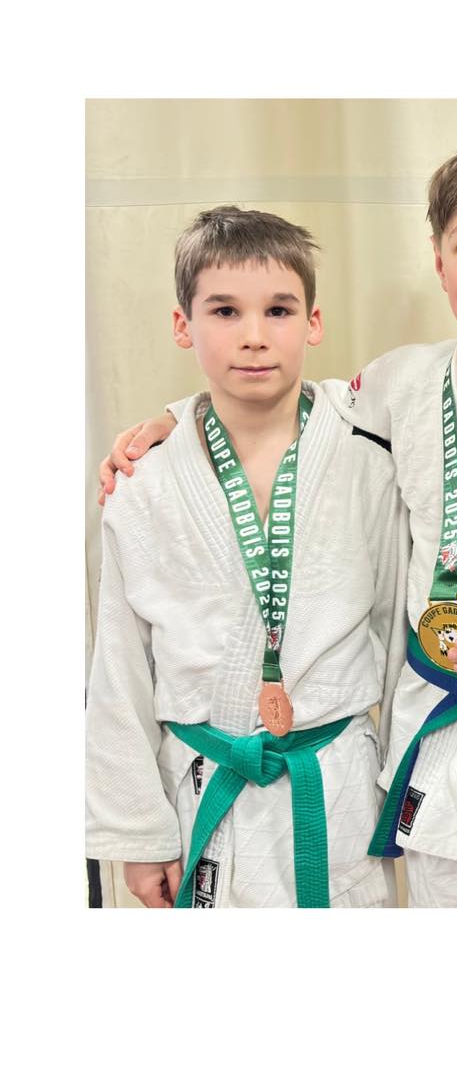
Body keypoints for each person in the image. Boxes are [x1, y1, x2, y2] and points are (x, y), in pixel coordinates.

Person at [95, 142, 457, 907]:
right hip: (433, 776)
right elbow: (283, 403)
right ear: (439, 260)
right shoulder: (399, 387)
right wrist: (174, 423)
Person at [85, 206, 409, 907]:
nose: (255, 336)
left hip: (336, 787)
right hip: (203, 782)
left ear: (313, 323)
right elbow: (120, 667)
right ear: (183, 325)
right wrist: (139, 835)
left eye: (279, 310)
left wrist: (399, 783)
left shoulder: (367, 460)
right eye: (225, 311)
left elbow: (396, 638)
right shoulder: (144, 483)